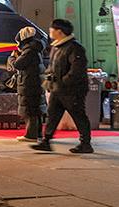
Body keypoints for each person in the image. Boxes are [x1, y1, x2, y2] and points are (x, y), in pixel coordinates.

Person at [32, 18, 94, 154]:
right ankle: (46, 141)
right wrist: (49, 81)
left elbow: (76, 70)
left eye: (52, 29)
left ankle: (85, 143)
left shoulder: (74, 48)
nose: (50, 32)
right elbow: (52, 67)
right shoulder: (56, 46)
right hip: (57, 89)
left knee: (78, 115)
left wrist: (64, 82)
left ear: (59, 31)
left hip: (72, 90)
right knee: (52, 115)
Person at [8, 26, 46, 142]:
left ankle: (31, 135)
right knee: (36, 110)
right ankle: (38, 134)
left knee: (30, 110)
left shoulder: (29, 51)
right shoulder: (36, 49)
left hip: (29, 84)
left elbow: (17, 65)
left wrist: (11, 58)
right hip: (35, 84)